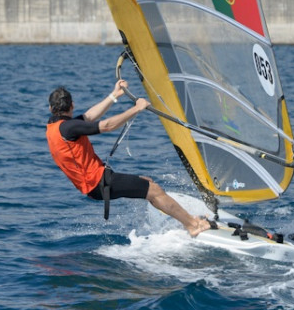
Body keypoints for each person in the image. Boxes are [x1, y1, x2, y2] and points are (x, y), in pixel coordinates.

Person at [46, 79, 212, 237]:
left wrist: (114, 95)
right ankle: (193, 225)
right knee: (154, 191)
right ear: (72, 105)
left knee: (149, 184)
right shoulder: (70, 127)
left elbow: (88, 116)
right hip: (98, 182)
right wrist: (136, 108)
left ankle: (185, 220)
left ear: (50, 108)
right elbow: (106, 125)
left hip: (95, 184)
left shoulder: (55, 127)